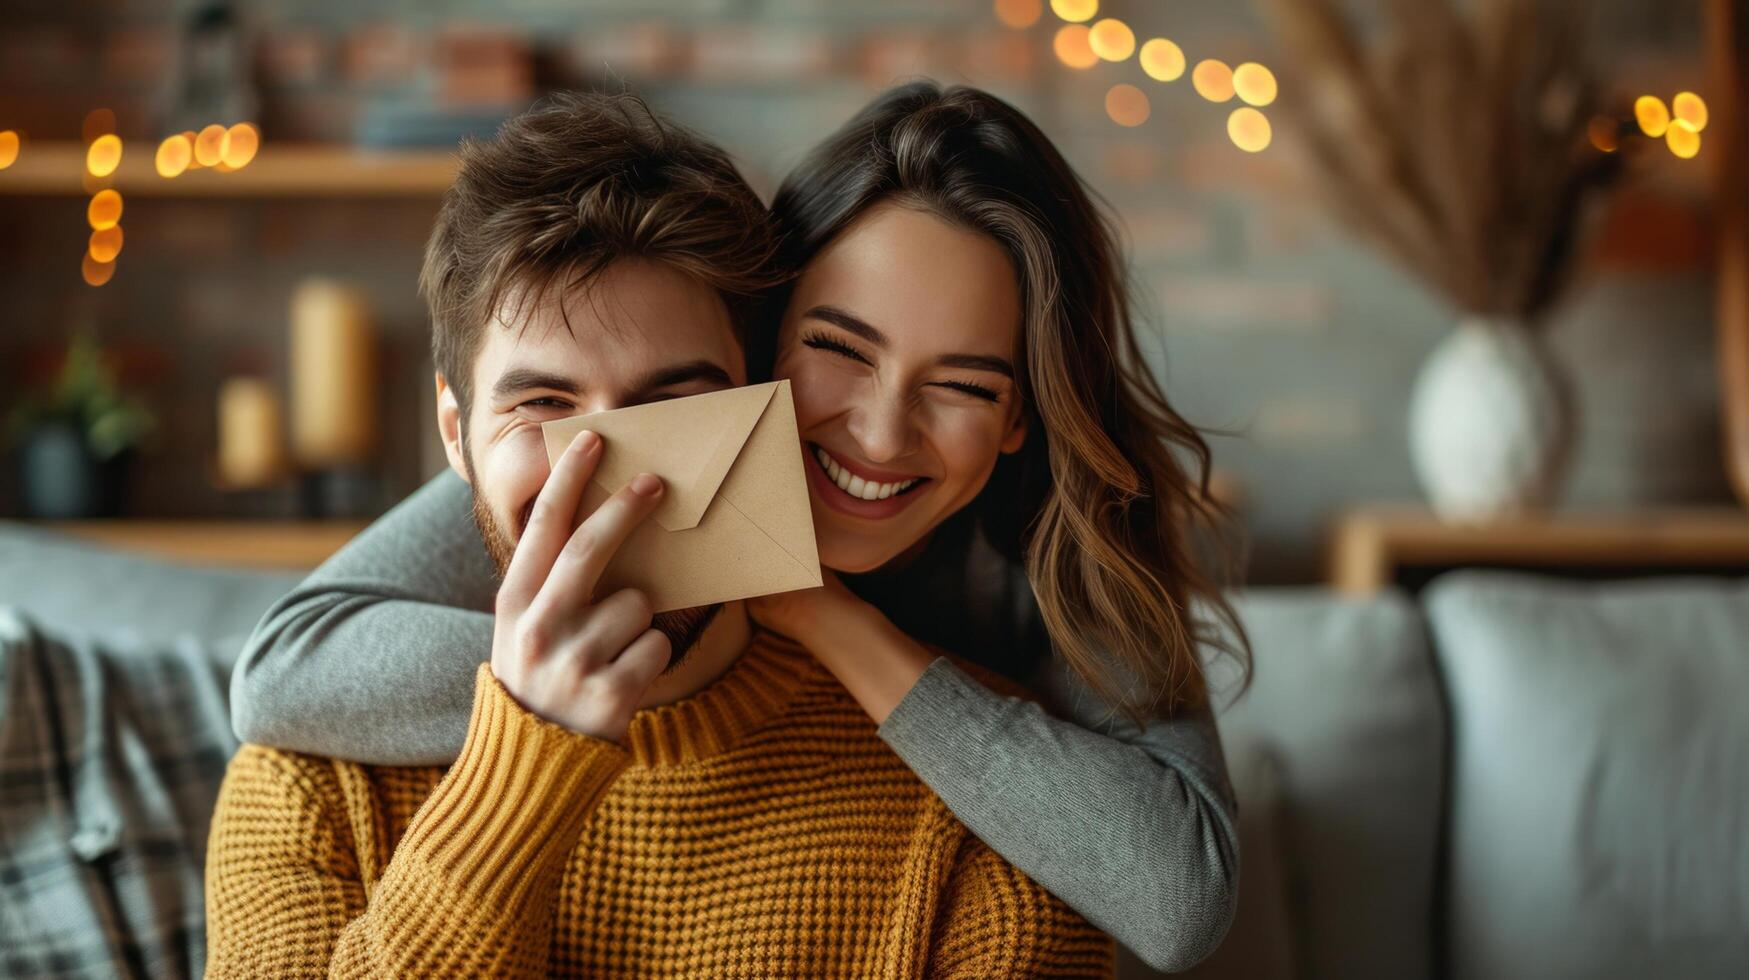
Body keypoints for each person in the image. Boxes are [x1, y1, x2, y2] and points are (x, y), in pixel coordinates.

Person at [229, 82, 1251, 971]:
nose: (882, 432)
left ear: (1022, 412)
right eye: (838, 346)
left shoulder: (1058, 554)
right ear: (767, 342)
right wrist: (555, 697)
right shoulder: (572, 468)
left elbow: (1177, 894)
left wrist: (816, 612)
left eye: (962, 384)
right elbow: (282, 668)